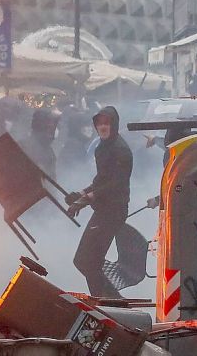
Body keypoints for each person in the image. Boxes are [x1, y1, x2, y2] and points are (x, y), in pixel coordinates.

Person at [66, 106, 133, 298]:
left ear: (114, 124)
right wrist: (81, 193)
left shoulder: (121, 150)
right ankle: (108, 301)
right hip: (104, 210)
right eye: (99, 123)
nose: (102, 127)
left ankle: (108, 302)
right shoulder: (102, 148)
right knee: (87, 261)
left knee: (86, 261)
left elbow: (117, 184)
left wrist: (88, 198)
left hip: (113, 211)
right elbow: (101, 179)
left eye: (107, 123)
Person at [18, 108, 60, 180]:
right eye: (48, 123)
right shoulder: (24, 147)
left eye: (55, 124)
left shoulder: (48, 150)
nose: (52, 127)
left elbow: (51, 181)